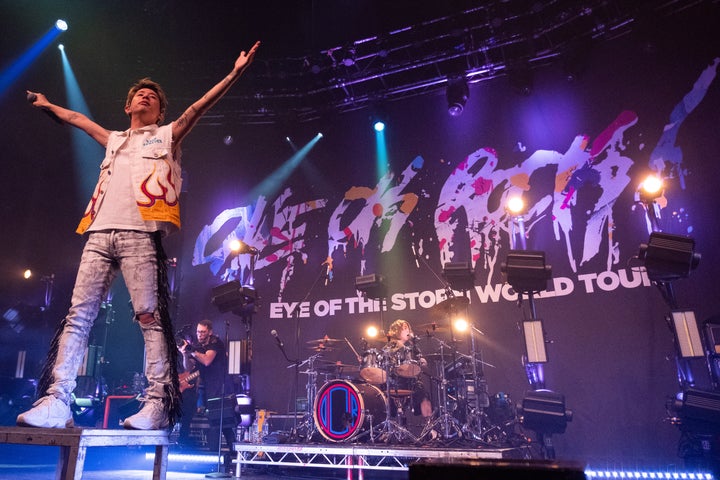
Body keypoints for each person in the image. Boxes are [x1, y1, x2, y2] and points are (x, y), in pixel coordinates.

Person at [16, 41, 261, 430]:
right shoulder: (113, 140)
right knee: (77, 318)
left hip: (140, 236)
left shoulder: (166, 136)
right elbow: (78, 119)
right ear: (128, 106)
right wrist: (47, 104)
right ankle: (56, 401)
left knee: (150, 318)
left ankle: (158, 403)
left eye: (152, 96)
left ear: (160, 111)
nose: (144, 96)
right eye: (138, 94)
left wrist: (234, 73)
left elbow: (198, 108)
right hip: (98, 234)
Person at [177, 319, 231, 446]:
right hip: (205, 386)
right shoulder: (197, 346)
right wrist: (185, 354)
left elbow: (207, 360)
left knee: (219, 419)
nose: (200, 335)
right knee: (219, 420)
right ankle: (230, 449)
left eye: (203, 332)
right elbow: (188, 368)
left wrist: (192, 351)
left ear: (210, 332)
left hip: (219, 384)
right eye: (198, 332)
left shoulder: (216, 343)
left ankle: (229, 450)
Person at [383, 319, 432, 419]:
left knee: (423, 392)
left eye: (408, 328)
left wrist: (420, 360)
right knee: (422, 392)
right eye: (405, 328)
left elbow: (421, 363)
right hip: (395, 382)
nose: (408, 331)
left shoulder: (409, 348)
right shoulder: (391, 346)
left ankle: (429, 427)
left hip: (409, 382)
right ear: (397, 331)